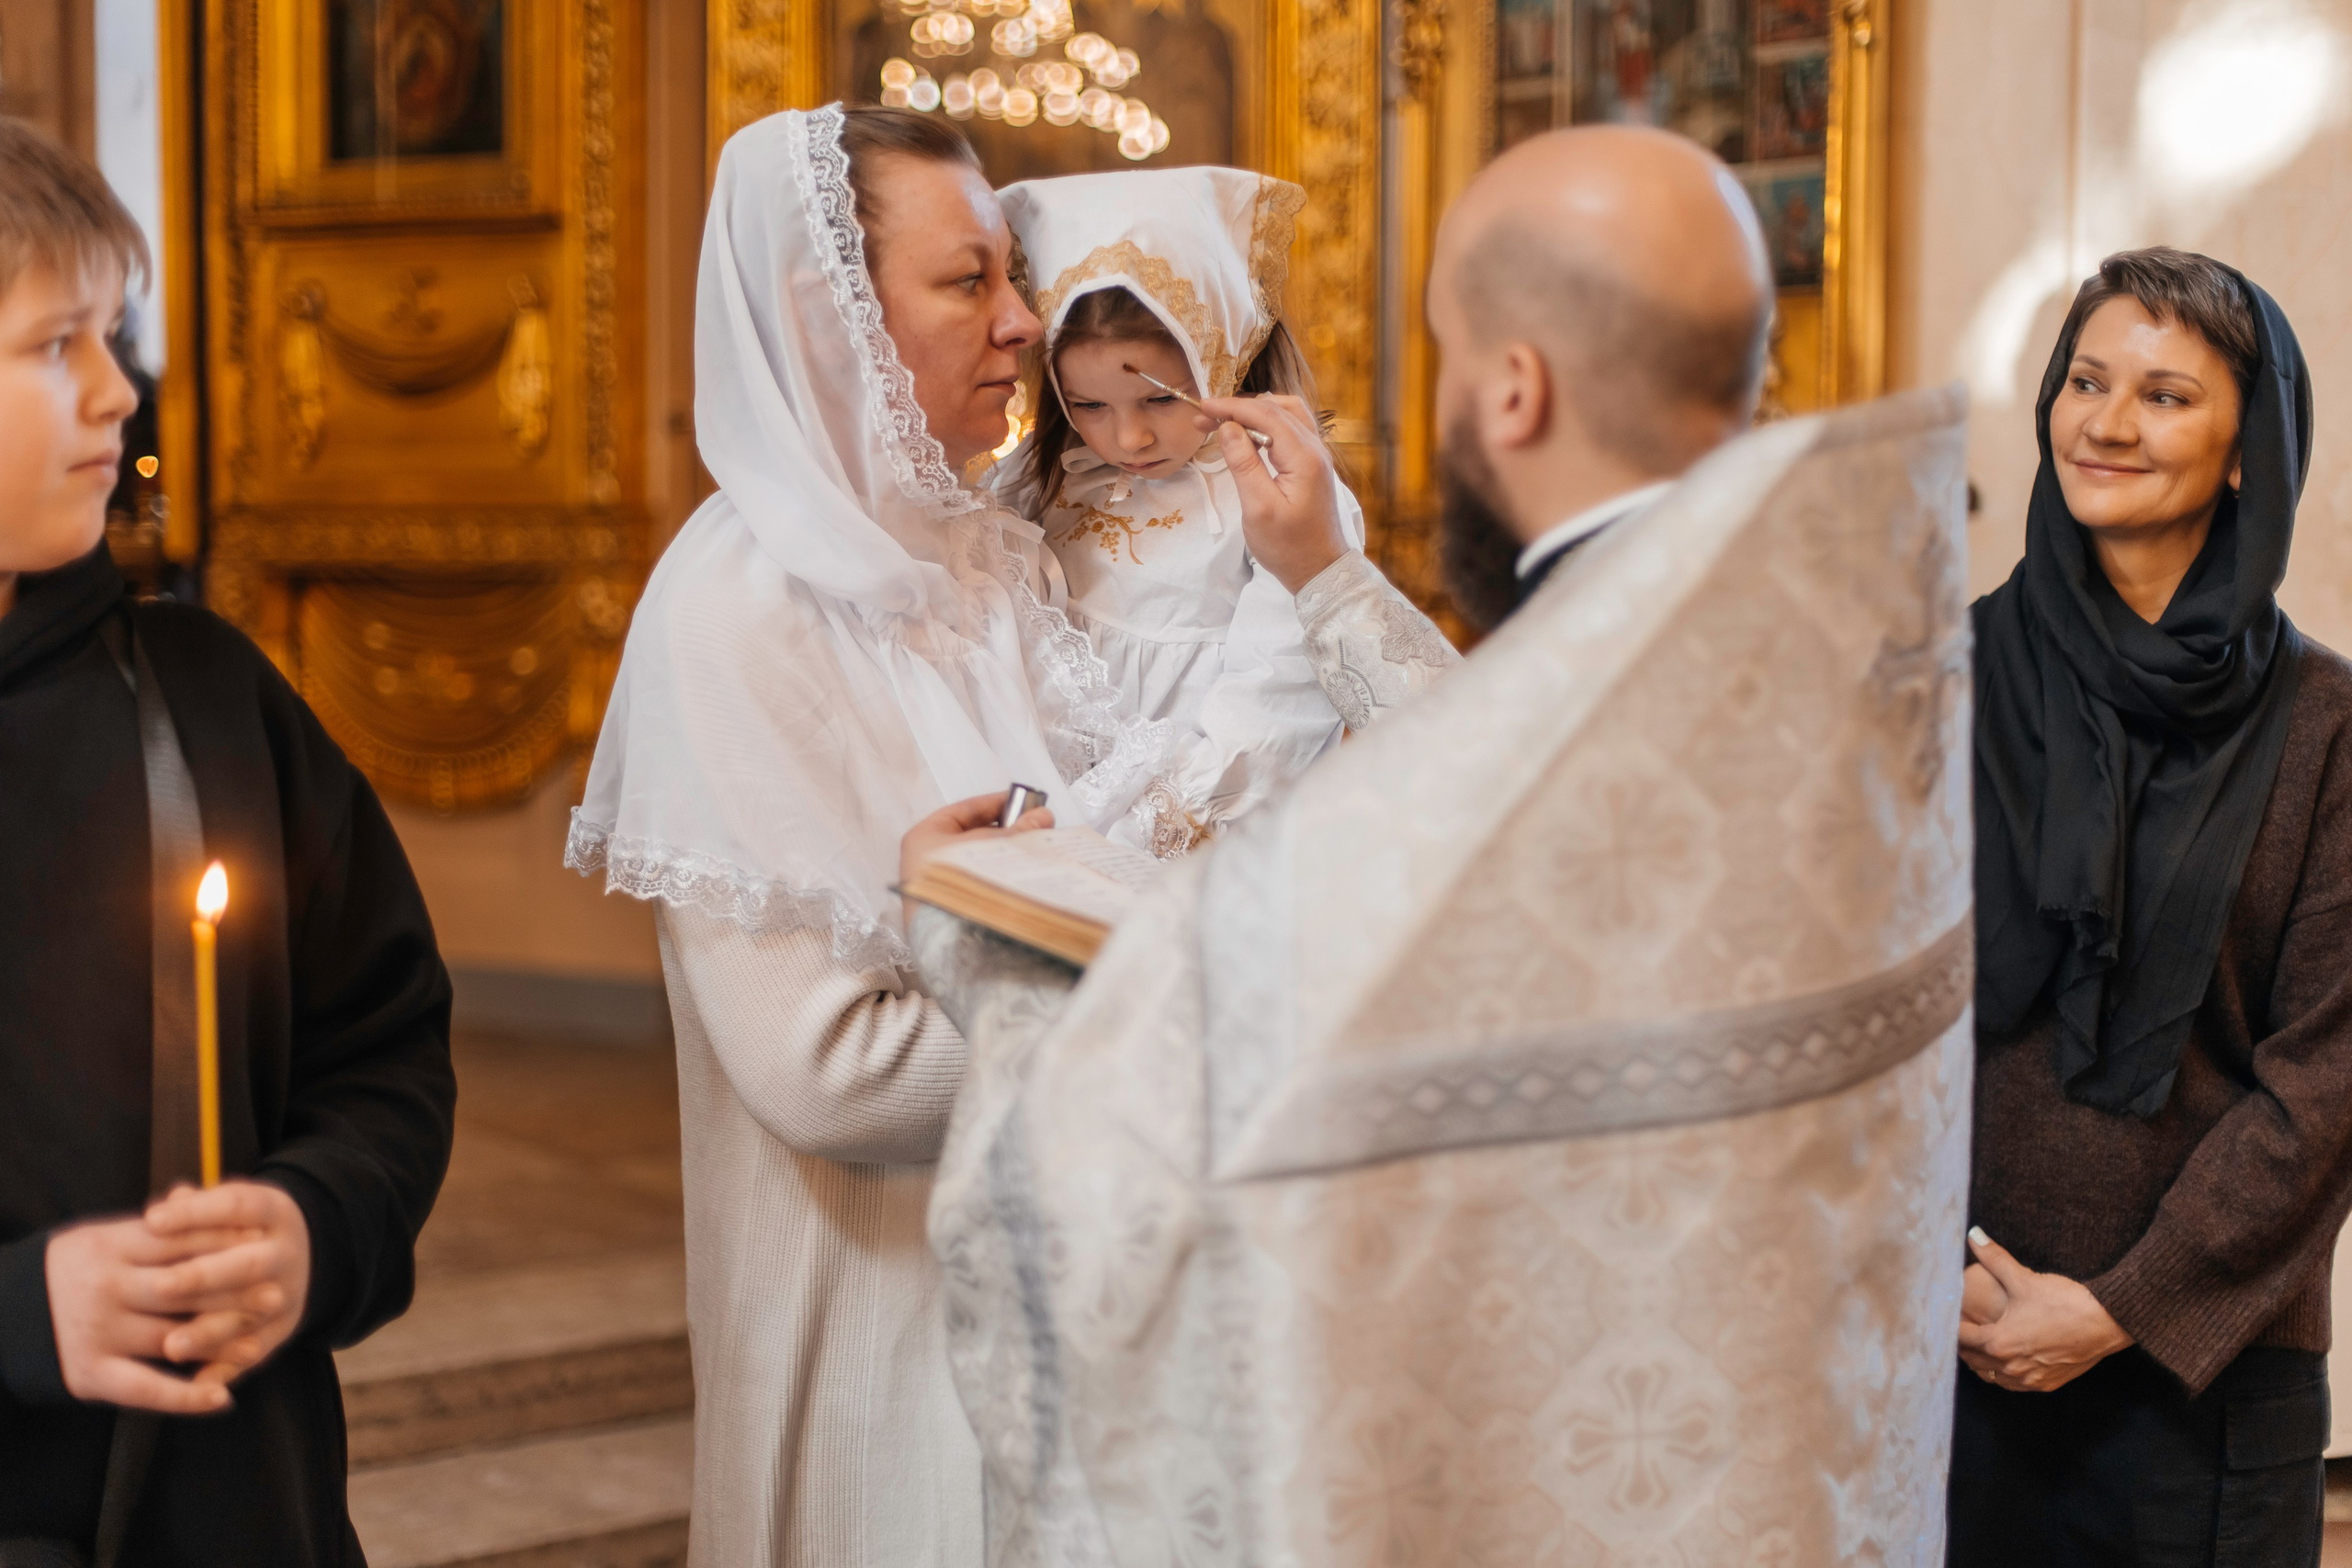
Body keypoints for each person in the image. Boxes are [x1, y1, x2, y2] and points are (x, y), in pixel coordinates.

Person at [907, 123, 1975, 1564]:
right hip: (1801, 1472)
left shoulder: (1484, 782)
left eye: (1447, 352)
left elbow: (1094, 1183)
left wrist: (977, 931)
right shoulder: (1877, 651)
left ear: (1512, 388)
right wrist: (1331, 590)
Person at [566, 106, 1155, 1566]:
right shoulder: (734, 609)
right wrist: (1169, 1024)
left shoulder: (981, 570)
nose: (1024, 325)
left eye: (1009, 277)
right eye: (969, 283)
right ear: (821, 313)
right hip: (875, 1334)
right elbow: (825, 1070)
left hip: (1055, 1286)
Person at [0, 118, 455, 1562]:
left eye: (108, 333)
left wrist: (313, 1223)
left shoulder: (206, 699)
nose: (112, 389)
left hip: (233, 1512)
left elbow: (383, 1048)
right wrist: (23, 1314)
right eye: (49, 343)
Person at [1950, 248, 2347, 1567]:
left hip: (2205, 1388)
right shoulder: (1937, 682)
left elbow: (2327, 1085)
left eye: (2167, 395)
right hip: (1950, 1351)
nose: (2108, 423)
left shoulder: (2329, 731)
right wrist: (1919, 1267)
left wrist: (2119, 1307)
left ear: (2251, 450)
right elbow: (1869, 1009)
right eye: (2086, 380)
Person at [989, 166, 1363, 856]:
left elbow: (1274, 702)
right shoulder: (1035, 480)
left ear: (1223, 356)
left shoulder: (1281, 494)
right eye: (1090, 405)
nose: (1128, 439)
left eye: (1161, 399)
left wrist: (1132, 847)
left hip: (1191, 845)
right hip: (1038, 823)